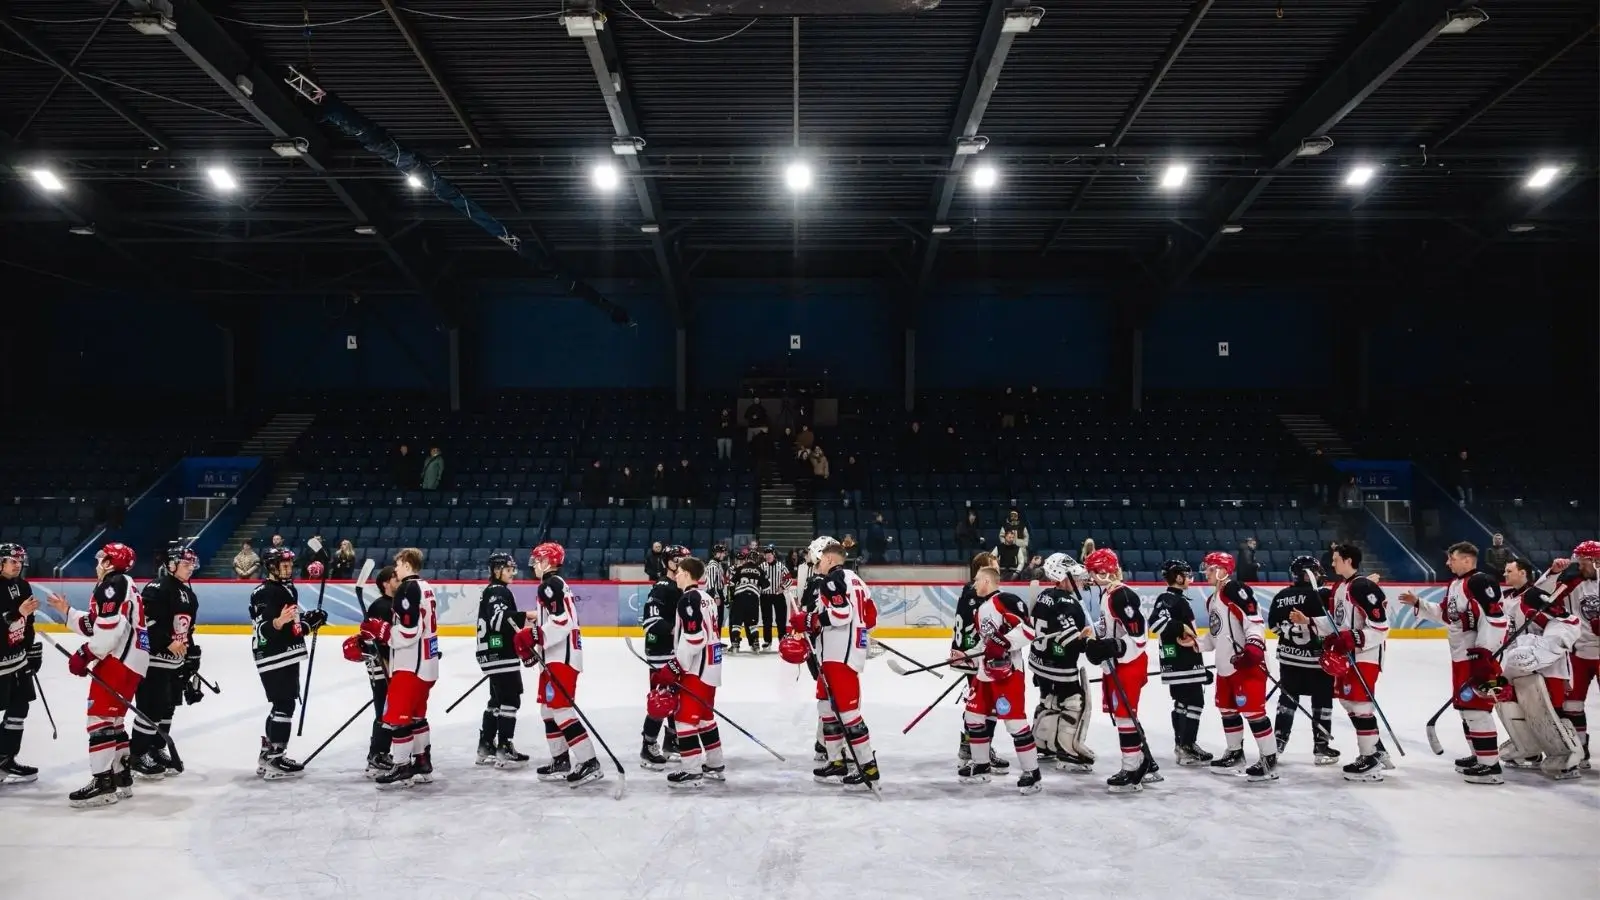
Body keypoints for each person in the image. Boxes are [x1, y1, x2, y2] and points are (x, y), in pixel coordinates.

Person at [1399, 541, 1507, 784]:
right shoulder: (1456, 584)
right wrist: (1419, 603)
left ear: (1467, 560)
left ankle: (1490, 766)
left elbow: (1496, 618)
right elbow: (1447, 615)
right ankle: (1478, 755)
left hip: (1478, 658)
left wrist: (1485, 653)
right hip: (1462, 657)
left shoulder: (1479, 582)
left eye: (1452, 558)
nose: (1448, 563)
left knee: (1477, 709)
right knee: (1466, 709)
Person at [48, 543, 148, 807]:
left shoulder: (111, 585)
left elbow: (108, 631)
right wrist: (67, 613)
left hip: (118, 660)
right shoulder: (123, 584)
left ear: (110, 562)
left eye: (102, 558)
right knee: (113, 720)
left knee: (100, 719)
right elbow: (98, 623)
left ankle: (103, 783)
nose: (98, 562)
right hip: (134, 660)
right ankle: (121, 777)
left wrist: (85, 654)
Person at [783, 540, 880, 789]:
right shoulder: (857, 581)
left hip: (839, 657)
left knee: (848, 714)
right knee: (826, 708)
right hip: (839, 654)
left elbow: (841, 614)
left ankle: (868, 767)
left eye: (819, 561)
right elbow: (870, 617)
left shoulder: (831, 580)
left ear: (828, 560)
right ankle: (836, 761)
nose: (817, 565)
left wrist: (810, 620)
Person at [516, 542, 604, 788]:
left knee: (561, 710)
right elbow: (554, 617)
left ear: (547, 561)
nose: (533, 565)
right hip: (555, 656)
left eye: (537, 560)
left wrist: (534, 637)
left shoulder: (549, 585)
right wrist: (534, 627)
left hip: (561, 659)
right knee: (548, 709)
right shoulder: (554, 585)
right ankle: (560, 759)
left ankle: (589, 762)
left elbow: (562, 621)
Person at [1491, 557, 1583, 777]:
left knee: (1549, 710)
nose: (1505, 575)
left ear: (1523, 573)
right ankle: (1528, 749)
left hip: (1547, 665)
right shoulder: (1507, 599)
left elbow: (1564, 621)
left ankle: (1568, 756)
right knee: (1508, 702)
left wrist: (1541, 650)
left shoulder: (1533, 596)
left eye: (1509, 571)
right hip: (1516, 665)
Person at [958, 564, 1043, 794]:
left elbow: (1027, 630)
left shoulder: (1006, 600)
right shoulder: (980, 610)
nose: (974, 584)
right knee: (973, 716)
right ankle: (981, 766)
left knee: (1014, 722)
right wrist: (966, 656)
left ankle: (1031, 772)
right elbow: (984, 645)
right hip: (985, 673)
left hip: (1008, 673)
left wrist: (1003, 642)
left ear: (987, 581)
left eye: (977, 580)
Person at [247, 546, 327, 781]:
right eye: (283, 565)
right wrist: (278, 622)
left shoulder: (287, 588)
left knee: (282, 705)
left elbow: (291, 628)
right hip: (272, 654)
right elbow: (264, 629)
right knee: (284, 706)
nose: (288, 568)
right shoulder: (263, 592)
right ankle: (275, 759)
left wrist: (308, 622)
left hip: (285, 653)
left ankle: (269, 755)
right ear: (270, 567)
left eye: (290, 564)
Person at [1197, 551, 1278, 781]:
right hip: (1225, 666)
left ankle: (1269, 759)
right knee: (1227, 710)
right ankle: (1235, 753)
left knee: (1254, 712)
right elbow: (1215, 636)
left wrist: (1254, 647)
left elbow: (1254, 621)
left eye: (1211, 568)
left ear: (1223, 571)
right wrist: (1195, 644)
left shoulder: (1235, 590)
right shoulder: (1212, 599)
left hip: (1246, 665)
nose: (1207, 572)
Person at [1080, 548, 1154, 793]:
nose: (1089, 577)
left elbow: (1139, 637)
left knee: (1125, 716)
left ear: (1102, 571)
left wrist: (1114, 646)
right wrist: (1096, 644)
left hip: (1129, 663)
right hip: (1119, 663)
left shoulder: (1122, 596)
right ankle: (1144, 762)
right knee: (1123, 715)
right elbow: (1109, 632)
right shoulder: (1108, 594)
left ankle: (1132, 769)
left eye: (1092, 571)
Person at [651, 556, 728, 787]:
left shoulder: (687, 599)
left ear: (685, 573)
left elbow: (695, 638)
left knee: (684, 719)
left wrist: (674, 667)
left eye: (679, 572)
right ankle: (715, 764)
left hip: (696, 670)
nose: (675, 576)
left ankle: (692, 771)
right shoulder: (707, 598)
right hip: (712, 668)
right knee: (705, 719)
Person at [368, 549, 440, 788]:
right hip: (427, 665)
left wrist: (383, 632)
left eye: (397, 564)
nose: (395, 569)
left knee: (399, 718)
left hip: (411, 665)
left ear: (406, 564)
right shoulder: (426, 587)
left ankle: (401, 766)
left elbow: (409, 632)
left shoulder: (407, 589)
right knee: (418, 716)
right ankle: (422, 762)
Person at [130, 543, 201, 778]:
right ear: (171, 565)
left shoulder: (188, 593)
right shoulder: (157, 587)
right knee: (151, 708)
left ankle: (156, 747)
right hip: (153, 661)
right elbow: (144, 622)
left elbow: (186, 628)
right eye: (185, 563)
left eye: (192, 564)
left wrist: (190, 655)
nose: (190, 568)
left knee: (168, 707)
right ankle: (138, 754)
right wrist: (167, 643)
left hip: (174, 663)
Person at [1322, 543, 1393, 782]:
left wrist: (1353, 637)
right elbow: (1338, 622)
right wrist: (1310, 623)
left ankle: (1370, 758)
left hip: (1366, 656)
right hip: (1348, 656)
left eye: (1335, 559)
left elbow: (1381, 626)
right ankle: (1376, 747)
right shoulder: (1340, 587)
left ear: (1348, 560)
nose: (1332, 563)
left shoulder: (1363, 587)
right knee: (1346, 701)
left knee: (1360, 705)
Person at [1266, 555, 1340, 766]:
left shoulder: (1281, 596)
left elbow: (1273, 627)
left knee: (1287, 701)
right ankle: (1321, 747)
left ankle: (1277, 744)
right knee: (1322, 702)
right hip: (1318, 661)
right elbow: (1335, 623)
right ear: (1310, 575)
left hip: (1289, 660)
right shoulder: (1324, 595)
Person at [1029, 553, 1095, 773]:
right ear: (1062, 576)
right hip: (1060, 665)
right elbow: (1069, 638)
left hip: (1039, 661)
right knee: (1074, 701)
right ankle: (1066, 750)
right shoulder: (1068, 602)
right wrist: (1087, 639)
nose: (1078, 581)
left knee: (1049, 700)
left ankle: (1042, 743)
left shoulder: (1043, 595)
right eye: (1074, 577)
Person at [1536, 540, 1598, 769]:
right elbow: (1541, 594)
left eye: (1582, 560)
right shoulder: (1571, 583)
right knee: (1572, 704)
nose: (1578, 564)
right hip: (1579, 653)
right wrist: (1553, 572)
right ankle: (1580, 749)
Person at [1149, 559, 1214, 767]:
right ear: (1178, 577)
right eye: (1186, 574)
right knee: (1195, 702)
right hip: (1181, 661)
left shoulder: (1175, 599)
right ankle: (1187, 746)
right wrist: (1181, 628)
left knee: (1182, 703)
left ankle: (1182, 746)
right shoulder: (1170, 598)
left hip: (1178, 661)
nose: (1190, 578)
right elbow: (1155, 623)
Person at [949, 551, 1009, 775]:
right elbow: (986, 628)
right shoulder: (979, 594)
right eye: (994, 563)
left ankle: (975, 748)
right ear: (983, 568)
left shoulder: (970, 591)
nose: (998, 566)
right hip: (975, 657)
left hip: (971, 655)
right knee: (984, 705)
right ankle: (975, 749)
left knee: (982, 703)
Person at [473, 553, 530, 770]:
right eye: (508, 569)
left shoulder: (488, 591)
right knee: (511, 699)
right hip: (501, 653)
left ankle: (486, 745)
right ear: (496, 570)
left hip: (489, 652)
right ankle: (504, 747)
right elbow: (500, 620)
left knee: (496, 700)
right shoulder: (498, 591)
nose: (512, 573)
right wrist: (528, 616)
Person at [342, 565, 399, 779]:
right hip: (380, 664)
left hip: (392, 663)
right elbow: (373, 637)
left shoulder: (394, 604)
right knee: (384, 711)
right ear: (385, 583)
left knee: (390, 709)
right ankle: (377, 755)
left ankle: (381, 753)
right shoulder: (379, 605)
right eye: (395, 577)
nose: (398, 580)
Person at [640, 545, 689, 769]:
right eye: (677, 559)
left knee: (675, 700)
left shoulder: (680, 586)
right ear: (667, 561)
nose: (681, 562)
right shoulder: (662, 586)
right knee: (662, 700)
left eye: (685, 559)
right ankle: (648, 746)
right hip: (661, 651)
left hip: (675, 650)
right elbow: (651, 622)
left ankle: (672, 741)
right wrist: (676, 631)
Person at [0, 543, 41, 784]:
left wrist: (31, 649)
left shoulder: (23, 585)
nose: (17, 565)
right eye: (11, 560)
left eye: (19, 561)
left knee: (19, 709)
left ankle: (5, 758)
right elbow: (15, 617)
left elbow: (28, 622)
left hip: (17, 661)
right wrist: (16, 614)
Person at [726, 548, 767, 653]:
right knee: (753, 623)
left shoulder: (740, 568)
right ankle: (755, 642)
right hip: (753, 598)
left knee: (737, 622)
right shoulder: (760, 570)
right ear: (757, 560)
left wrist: (731, 598)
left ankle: (735, 643)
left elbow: (731, 583)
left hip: (739, 597)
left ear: (747, 558)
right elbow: (766, 586)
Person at [757, 544, 789, 652]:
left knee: (781, 619)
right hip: (765, 596)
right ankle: (767, 641)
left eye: (769, 554)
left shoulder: (781, 566)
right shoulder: (761, 566)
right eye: (766, 554)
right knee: (767, 620)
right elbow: (757, 580)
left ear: (774, 555)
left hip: (778, 596)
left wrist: (783, 587)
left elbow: (789, 578)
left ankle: (782, 639)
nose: (768, 556)